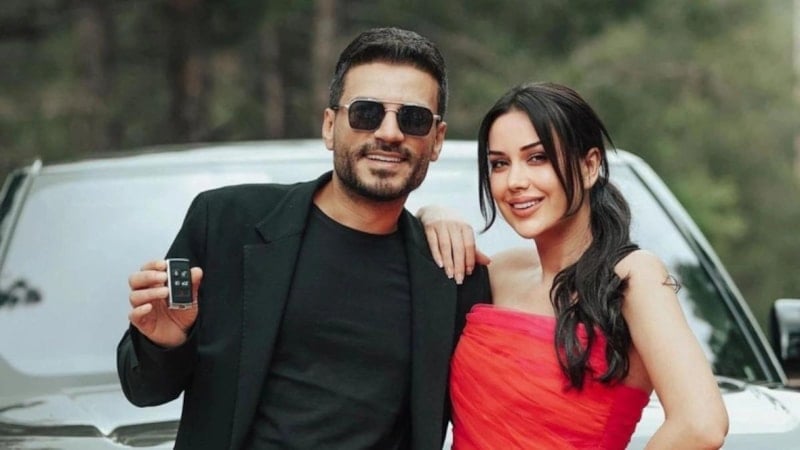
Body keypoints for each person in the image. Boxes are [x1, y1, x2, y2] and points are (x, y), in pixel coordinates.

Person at [116, 27, 490, 450]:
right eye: (366, 113)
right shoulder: (225, 223)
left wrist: (434, 214)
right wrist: (165, 341)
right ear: (330, 126)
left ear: (436, 140)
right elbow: (143, 390)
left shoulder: (452, 276)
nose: (389, 133)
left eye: (414, 119)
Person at [421, 82, 729, 449]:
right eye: (500, 164)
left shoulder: (632, 277)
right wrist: (430, 214)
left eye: (538, 158)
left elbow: (701, 425)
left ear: (589, 166)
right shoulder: (499, 273)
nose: (515, 181)